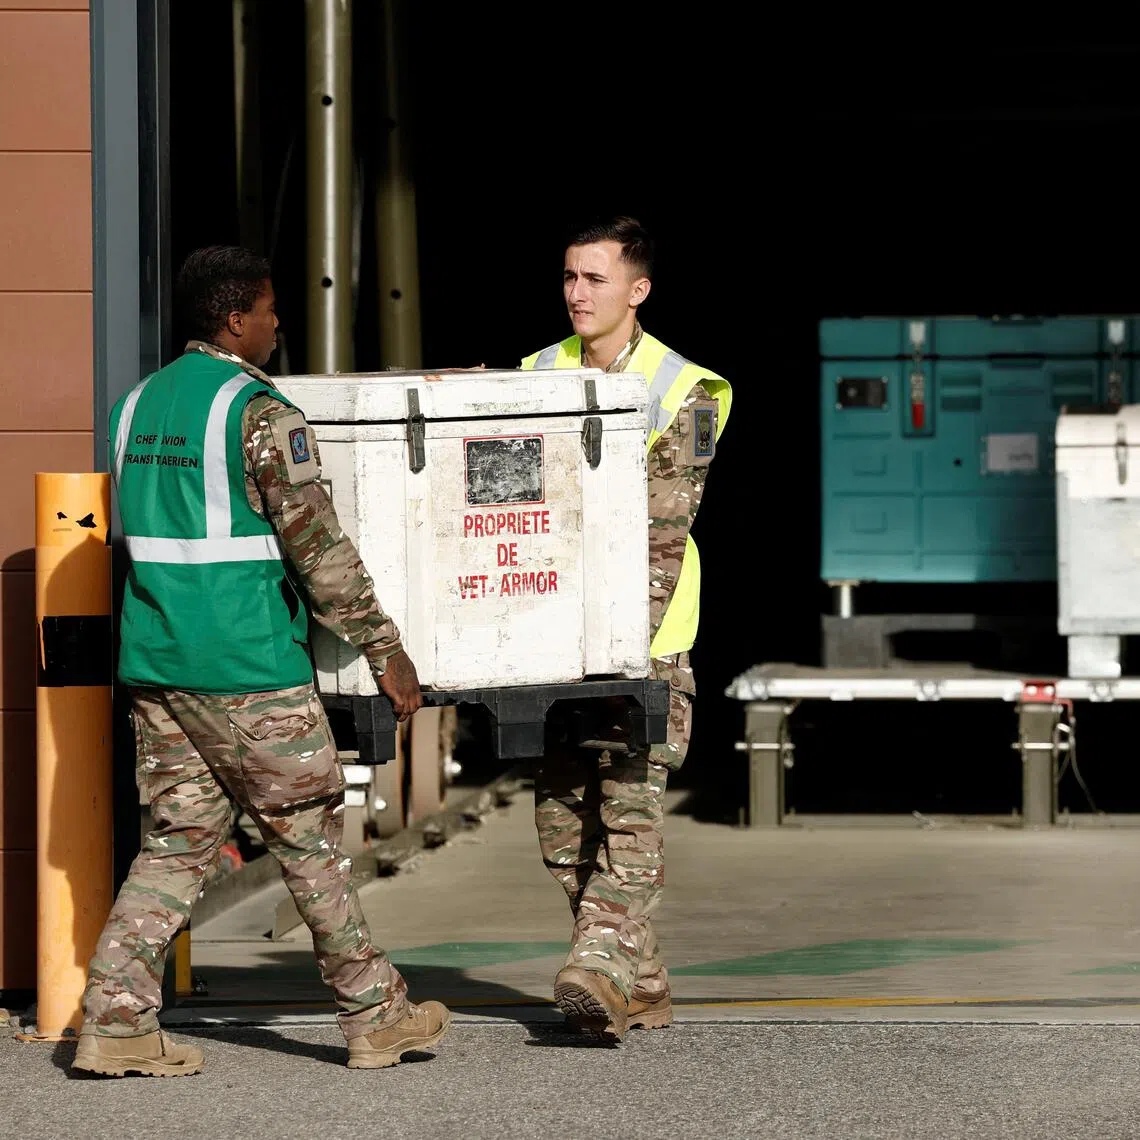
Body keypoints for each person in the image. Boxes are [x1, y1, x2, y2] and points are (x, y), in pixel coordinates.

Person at [73, 246, 450, 1077]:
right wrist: (386, 650)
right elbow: (319, 550)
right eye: (272, 310)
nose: (279, 325)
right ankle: (375, 1013)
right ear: (235, 317)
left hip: (159, 667)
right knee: (309, 839)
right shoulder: (258, 413)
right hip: (249, 670)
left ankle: (116, 1017)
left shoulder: (132, 408)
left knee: (176, 845)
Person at [521, 216, 732, 1040]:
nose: (577, 293)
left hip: (647, 635)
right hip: (554, 632)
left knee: (630, 808)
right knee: (561, 817)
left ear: (636, 290)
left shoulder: (689, 389)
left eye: (595, 279)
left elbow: (664, 528)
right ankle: (636, 983)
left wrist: (628, 652)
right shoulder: (535, 373)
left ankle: (599, 964)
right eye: (569, 277)